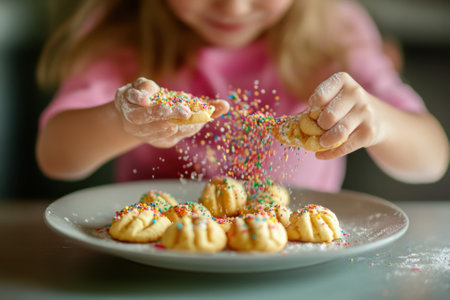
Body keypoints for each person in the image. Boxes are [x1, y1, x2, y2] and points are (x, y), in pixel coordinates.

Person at [36, 0, 448, 192]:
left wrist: (378, 119)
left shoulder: (336, 29)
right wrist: (122, 120)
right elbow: (56, 156)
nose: (233, 7)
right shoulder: (121, 29)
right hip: (157, 260)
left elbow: (431, 159)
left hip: (295, 259)